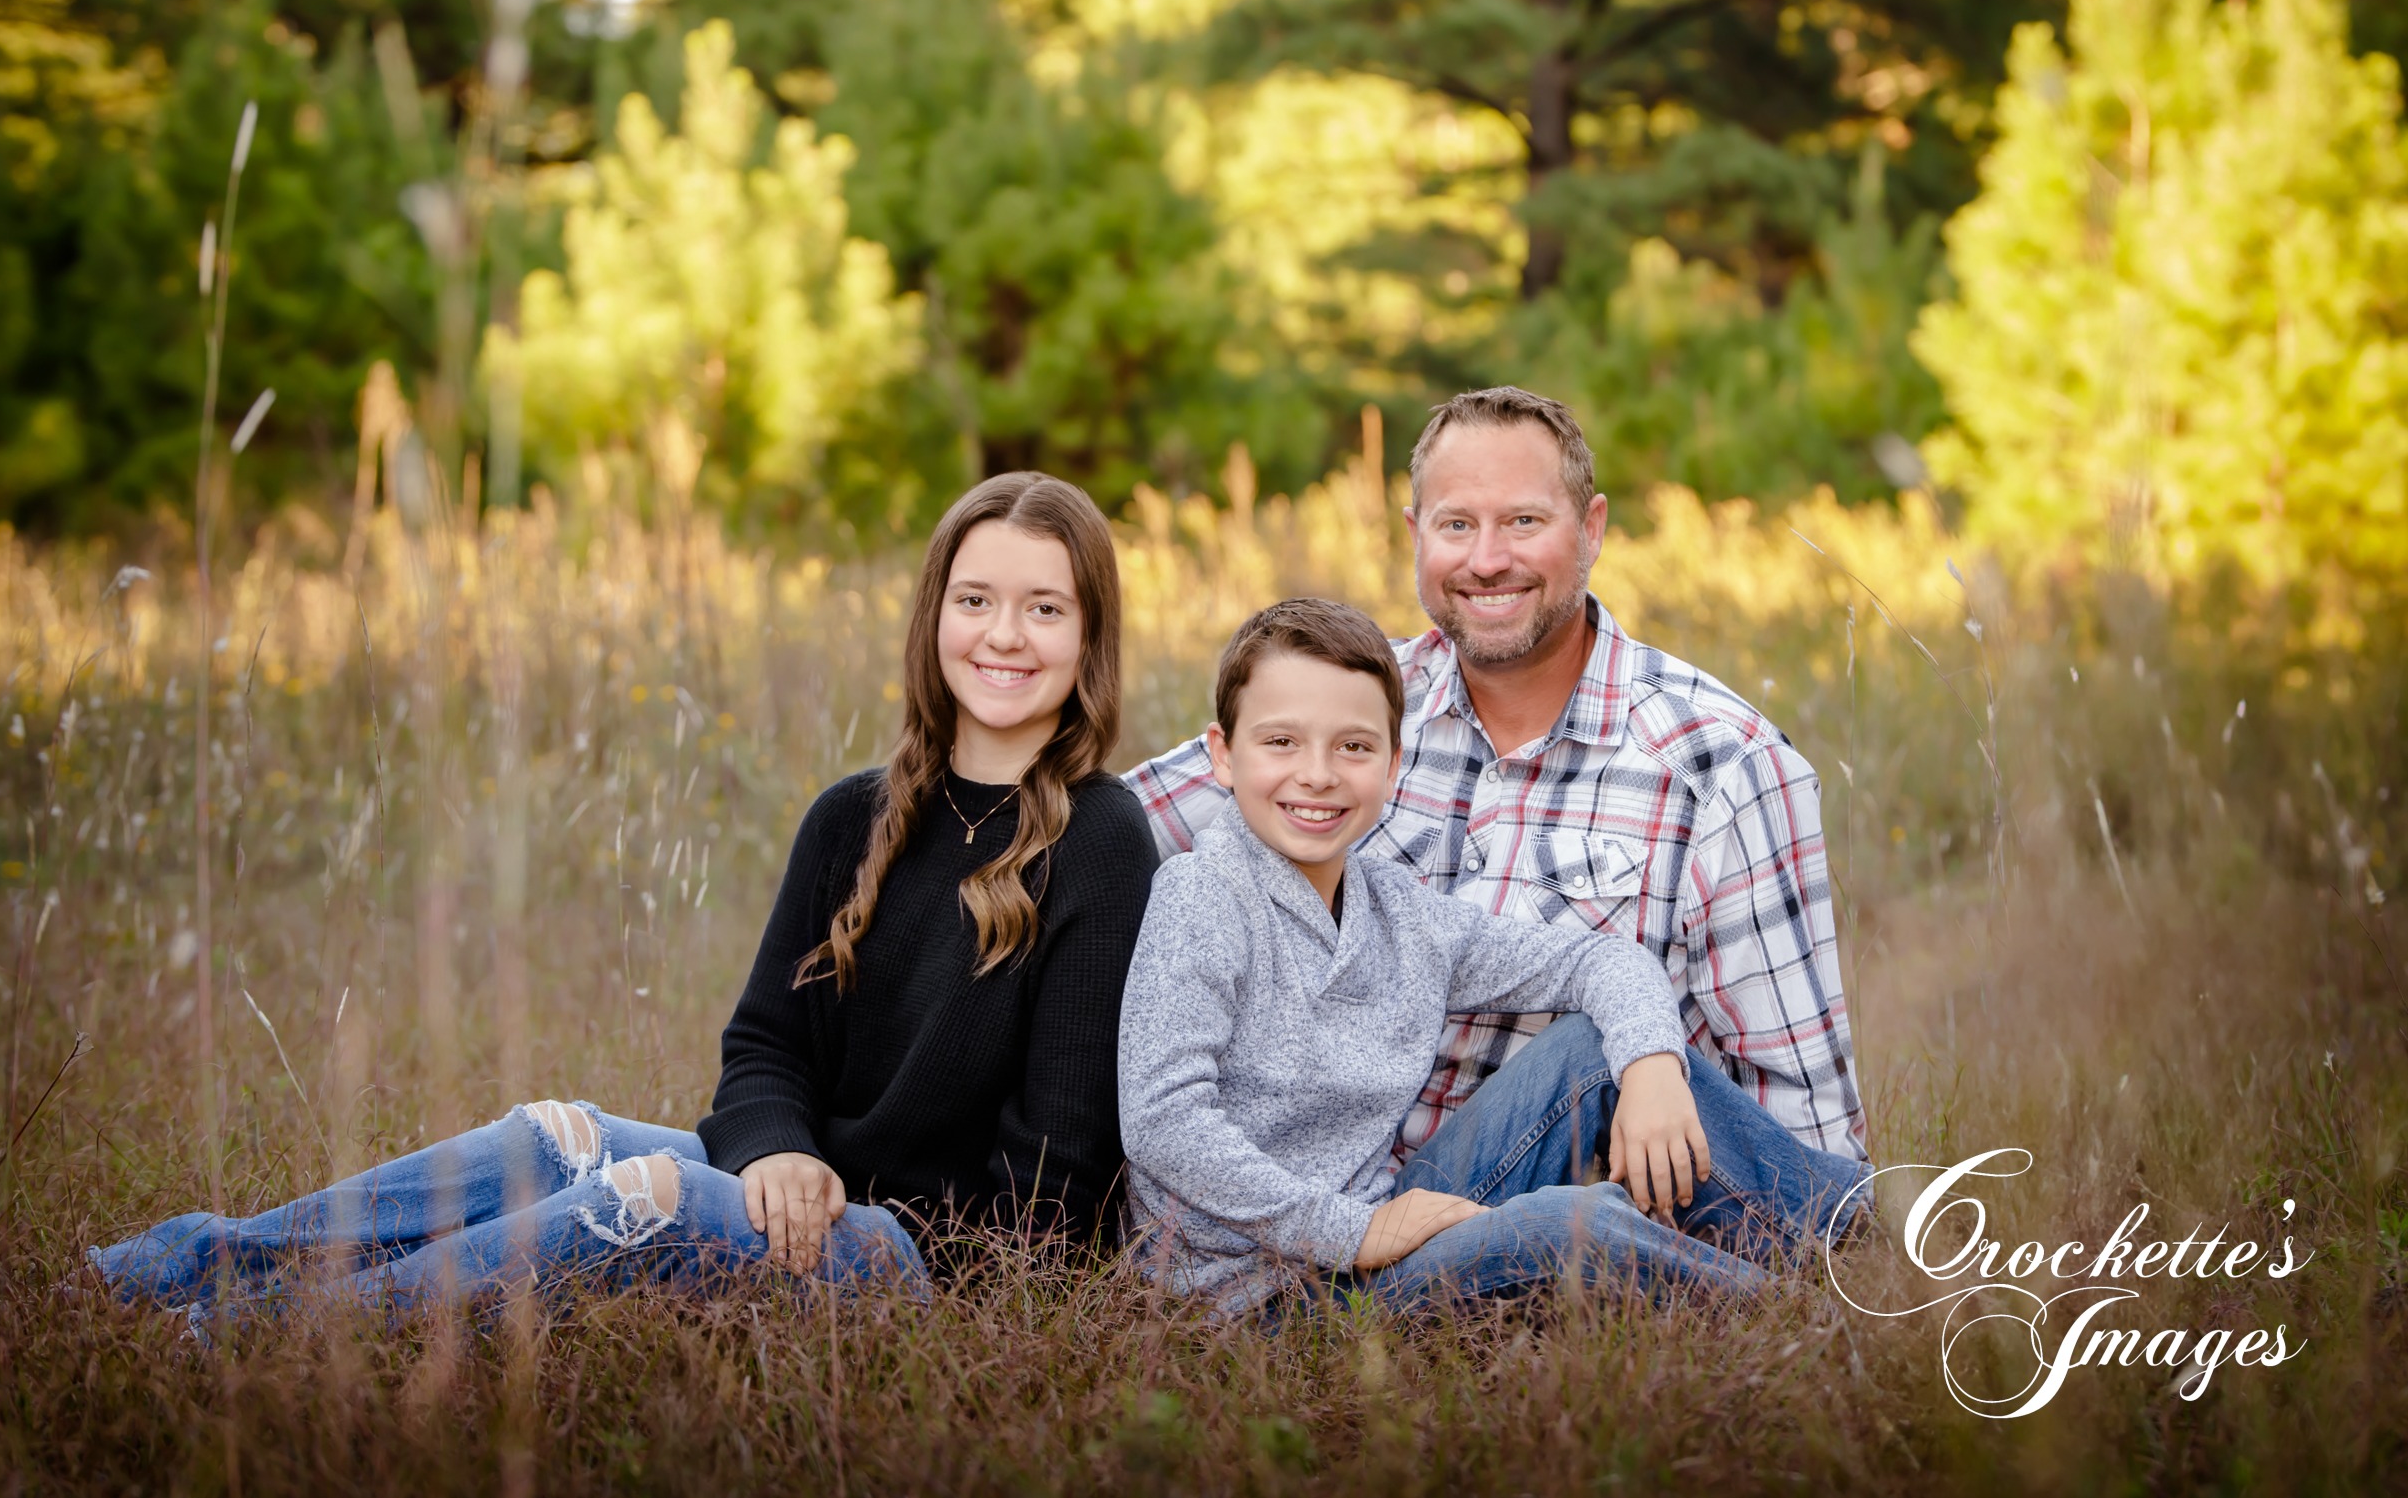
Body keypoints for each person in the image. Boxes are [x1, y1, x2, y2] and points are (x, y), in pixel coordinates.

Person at [92, 472, 1159, 1317]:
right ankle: (177, 1266)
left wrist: (830, 1208)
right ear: (936, 614)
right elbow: (764, 1050)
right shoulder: (855, 816)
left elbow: (1058, 1171)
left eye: (1043, 608)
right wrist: (778, 1153)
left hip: (932, 1264)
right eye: (975, 600)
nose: (1004, 636)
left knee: (641, 1198)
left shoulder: (1104, 840)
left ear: (1087, 635)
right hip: (812, 1186)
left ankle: (249, 1338)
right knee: (553, 1134)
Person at [1126, 387, 1867, 1165]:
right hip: (1328, 1210)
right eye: (1455, 525)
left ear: (1592, 529)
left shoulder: (1721, 763)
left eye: (1522, 521)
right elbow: (1105, 831)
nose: (1486, 560)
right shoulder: (1349, 707)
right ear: (1415, 536)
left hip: (1576, 1213)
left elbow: (1800, 1111)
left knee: (1591, 1053)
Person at [1118, 599, 1868, 1313]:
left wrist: (1648, 1061)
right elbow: (1163, 1121)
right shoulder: (1202, 894)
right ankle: (1829, 1331)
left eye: (1352, 746)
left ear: (1393, 763)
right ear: (1222, 754)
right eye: (1280, 742)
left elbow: (1599, 960)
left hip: (1381, 1229)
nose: (1316, 773)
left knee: (1594, 1048)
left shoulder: (1395, 909)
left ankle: (1859, 1237)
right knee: (1567, 1224)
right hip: (1263, 1295)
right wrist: (1353, 1232)